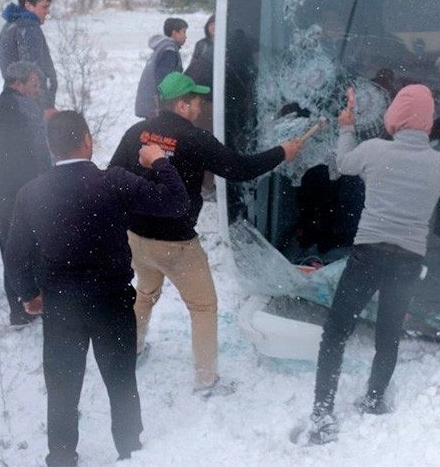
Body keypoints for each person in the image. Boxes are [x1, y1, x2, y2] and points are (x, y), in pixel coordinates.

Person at [305, 84, 440, 444]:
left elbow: (343, 163)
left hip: (367, 255)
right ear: (427, 123)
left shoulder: (373, 151)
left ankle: (322, 411)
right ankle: (373, 399)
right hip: (408, 261)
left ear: (394, 116)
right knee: (388, 333)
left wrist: (347, 126)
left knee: (336, 331)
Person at [3, 110, 190, 467]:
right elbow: (176, 202)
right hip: (111, 302)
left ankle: (61, 457)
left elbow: (15, 257)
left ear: (50, 147)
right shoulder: (113, 182)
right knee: (121, 382)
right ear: (88, 140)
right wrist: (159, 162)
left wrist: (28, 294)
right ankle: (131, 452)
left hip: (61, 306)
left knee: (62, 389)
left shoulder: (31, 193)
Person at [109, 72, 304, 395]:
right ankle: (206, 381)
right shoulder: (195, 139)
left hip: (137, 239)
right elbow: (240, 169)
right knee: (202, 306)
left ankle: (132, 351)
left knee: (144, 293)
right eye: (197, 100)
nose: (201, 106)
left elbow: (112, 174)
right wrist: (282, 152)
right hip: (176, 245)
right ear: (182, 105)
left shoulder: (136, 132)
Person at [0, 60, 52, 326]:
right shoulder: (27, 108)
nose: (37, 90)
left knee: (10, 249)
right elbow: (41, 151)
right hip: (26, 192)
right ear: (17, 83)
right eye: (34, 84)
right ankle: (37, 304)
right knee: (36, 249)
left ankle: (18, 311)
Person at [0, 0, 58, 113]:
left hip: (13, 102)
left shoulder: (9, 27)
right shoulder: (28, 28)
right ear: (28, 5)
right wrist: (45, 106)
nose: (48, 11)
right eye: (44, 7)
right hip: (31, 106)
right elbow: (32, 71)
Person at [134, 17, 188, 119]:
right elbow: (165, 81)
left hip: (149, 102)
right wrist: (165, 106)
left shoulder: (162, 47)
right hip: (156, 106)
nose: (186, 36)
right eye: (183, 32)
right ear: (174, 33)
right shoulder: (169, 51)